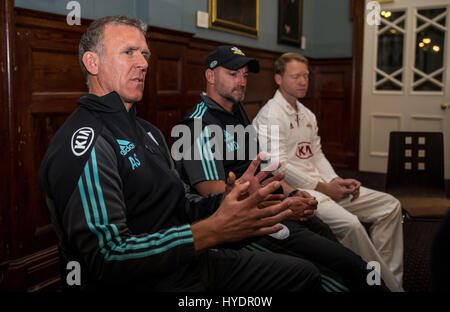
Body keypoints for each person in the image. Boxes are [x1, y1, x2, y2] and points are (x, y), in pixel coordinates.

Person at [38, 15, 322, 291]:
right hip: (146, 280)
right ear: (92, 62)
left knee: (304, 274)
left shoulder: (148, 131)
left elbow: (180, 204)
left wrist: (229, 202)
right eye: (129, 52)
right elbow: (108, 256)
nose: (142, 63)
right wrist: (213, 230)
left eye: (145, 54)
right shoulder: (85, 142)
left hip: (187, 261)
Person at [175, 45, 389, 292]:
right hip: (243, 227)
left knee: (331, 240)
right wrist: (284, 205)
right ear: (210, 76)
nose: (242, 81)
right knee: (338, 271)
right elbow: (217, 200)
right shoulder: (196, 127)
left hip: (267, 207)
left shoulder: (236, 112)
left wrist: (293, 193)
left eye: (244, 74)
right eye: (233, 74)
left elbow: (263, 167)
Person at [252, 52, 404, 292]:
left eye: (305, 76)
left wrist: (336, 181)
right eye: (296, 76)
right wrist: (323, 188)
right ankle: (379, 285)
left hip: (324, 184)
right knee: (351, 225)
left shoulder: (307, 114)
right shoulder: (271, 114)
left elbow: (317, 155)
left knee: (390, 206)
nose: (303, 81)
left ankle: (389, 278)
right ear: (278, 79)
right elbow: (277, 165)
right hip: (299, 191)